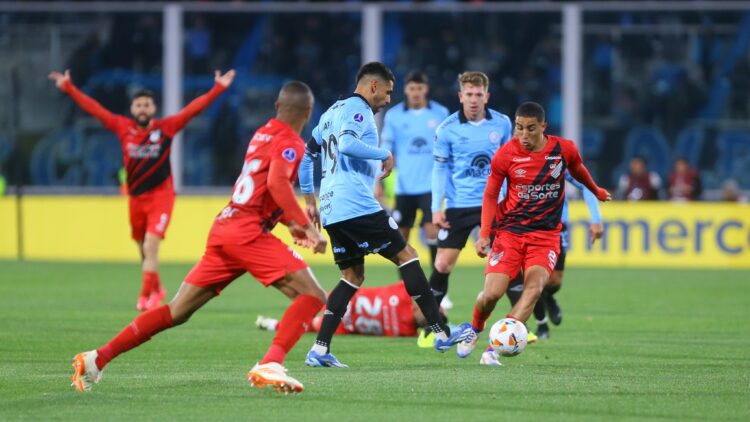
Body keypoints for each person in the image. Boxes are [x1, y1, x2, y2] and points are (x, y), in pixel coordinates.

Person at [70, 81, 328, 394]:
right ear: (309, 112)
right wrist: (307, 226)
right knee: (313, 296)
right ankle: (271, 363)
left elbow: (261, 188)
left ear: (277, 107)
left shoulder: (262, 134)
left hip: (224, 228)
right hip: (246, 232)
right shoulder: (291, 142)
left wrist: (290, 224)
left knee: (176, 311)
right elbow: (276, 184)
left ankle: (97, 357)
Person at [298, 62, 473, 368]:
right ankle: (441, 331)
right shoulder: (358, 108)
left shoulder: (328, 114)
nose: (389, 99)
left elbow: (307, 156)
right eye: (388, 92)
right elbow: (350, 144)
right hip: (355, 203)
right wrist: (385, 154)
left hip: (330, 207)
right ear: (373, 86)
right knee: (407, 254)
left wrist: (309, 200)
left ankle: (320, 350)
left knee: (352, 276)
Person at [48, 68, 234, 311]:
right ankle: (156, 287)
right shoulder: (122, 127)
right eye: (138, 105)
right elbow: (95, 109)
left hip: (162, 196)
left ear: (153, 109)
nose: (143, 109)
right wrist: (69, 88)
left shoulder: (165, 129)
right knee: (142, 247)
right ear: (132, 110)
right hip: (135, 199)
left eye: (147, 104)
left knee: (150, 244)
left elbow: (193, 110)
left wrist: (218, 88)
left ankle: (146, 296)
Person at [459, 102, 610, 366]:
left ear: (543, 127)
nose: (524, 136)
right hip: (509, 233)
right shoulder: (506, 154)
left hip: (545, 236)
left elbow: (579, 171)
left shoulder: (564, 149)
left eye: (530, 129)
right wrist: (485, 234)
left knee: (534, 289)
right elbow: (491, 194)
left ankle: (495, 348)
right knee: (492, 294)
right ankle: (475, 327)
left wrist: (595, 190)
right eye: (519, 129)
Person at [428, 71, 513, 316]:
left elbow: (510, 165)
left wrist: (510, 200)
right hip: (459, 204)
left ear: (487, 96)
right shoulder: (446, 129)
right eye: (469, 94)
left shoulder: (502, 123)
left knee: (509, 262)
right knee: (442, 263)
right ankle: (432, 326)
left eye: (478, 94)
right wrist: (436, 207)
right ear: (460, 96)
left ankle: (520, 325)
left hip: (496, 204)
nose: (473, 99)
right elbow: (439, 169)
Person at [505, 171, 604, 339]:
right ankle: (541, 325)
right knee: (531, 279)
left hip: (555, 227)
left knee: (554, 281)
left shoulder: (558, 158)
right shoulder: (514, 157)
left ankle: (549, 296)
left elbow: (587, 184)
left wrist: (595, 218)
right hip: (522, 227)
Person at [379, 71, 449, 265]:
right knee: (401, 238)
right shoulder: (394, 116)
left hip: (430, 185)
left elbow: (448, 146)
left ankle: (437, 290)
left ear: (425, 89)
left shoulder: (440, 113)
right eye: (412, 89)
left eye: (419, 88)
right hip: (404, 186)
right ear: (406, 90)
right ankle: (406, 286)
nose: (416, 92)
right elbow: (386, 148)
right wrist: (378, 179)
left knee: (433, 232)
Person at [257, 280, 450, 338]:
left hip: (343, 307)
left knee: (309, 314)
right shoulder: (407, 332)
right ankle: (274, 324)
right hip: (345, 306)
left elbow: (419, 288)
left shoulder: (404, 291)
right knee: (309, 309)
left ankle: (275, 324)